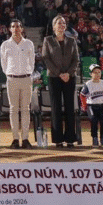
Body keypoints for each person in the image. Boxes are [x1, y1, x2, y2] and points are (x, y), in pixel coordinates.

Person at [41, 15, 80, 148]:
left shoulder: (72, 40)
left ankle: (70, 138)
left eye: (63, 23)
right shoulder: (47, 40)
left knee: (70, 107)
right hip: (54, 78)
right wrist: (59, 74)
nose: (61, 25)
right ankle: (57, 139)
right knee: (56, 108)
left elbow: (76, 59)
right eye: (58, 23)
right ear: (53, 27)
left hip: (70, 77)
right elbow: (46, 58)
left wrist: (68, 73)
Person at [0, 19, 35, 148]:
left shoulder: (29, 44)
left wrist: (27, 73)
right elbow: (3, 64)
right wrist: (10, 73)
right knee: (13, 109)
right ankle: (15, 139)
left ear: (22, 28)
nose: (16, 29)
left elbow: (32, 62)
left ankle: (25, 139)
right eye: (13, 26)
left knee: (25, 109)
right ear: (10, 29)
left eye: (18, 26)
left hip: (26, 79)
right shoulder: (5, 45)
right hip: (12, 79)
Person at [80, 64, 103, 146]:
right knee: (93, 120)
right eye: (95, 72)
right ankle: (94, 138)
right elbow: (82, 95)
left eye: (99, 72)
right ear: (91, 74)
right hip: (91, 106)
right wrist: (84, 106)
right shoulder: (88, 84)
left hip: (102, 105)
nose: (97, 74)